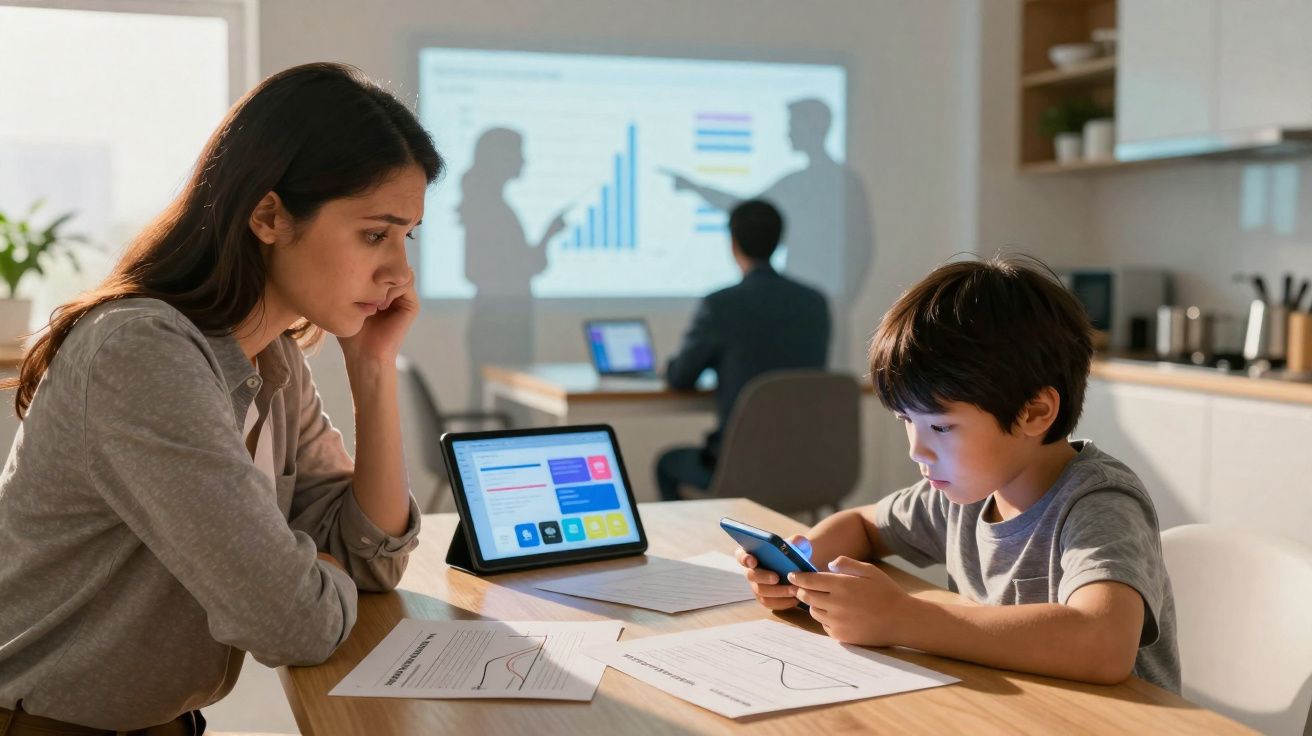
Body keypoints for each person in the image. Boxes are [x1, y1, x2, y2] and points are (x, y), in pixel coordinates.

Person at [0, 62, 442, 733]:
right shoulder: (142, 353)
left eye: (407, 237)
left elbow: (367, 559)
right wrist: (309, 575)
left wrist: (373, 368)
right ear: (269, 215)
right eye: (375, 234)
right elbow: (293, 623)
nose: (400, 272)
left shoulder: (275, 358)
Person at [735, 256, 1181, 692]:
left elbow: (1102, 644)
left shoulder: (1099, 503)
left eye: (942, 427)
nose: (917, 449)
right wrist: (800, 568)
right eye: (907, 420)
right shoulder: (965, 493)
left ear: (1034, 412)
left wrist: (903, 618)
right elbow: (863, 526)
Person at [656, 199, 829, 502]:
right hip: (806, 465)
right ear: (779, 241)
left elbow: (681, 377)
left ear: (733, 244)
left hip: (740, 466)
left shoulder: (721, 305)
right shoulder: (815, 304)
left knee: (666, 464)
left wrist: (668, 368)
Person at [458, 127, 566, 400]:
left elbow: (517, 265)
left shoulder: (491, 206)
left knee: (504, 404)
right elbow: (487, 269)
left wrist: (547, 238)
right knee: (511, 405)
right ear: (500, 159)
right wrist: (546, 238)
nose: (524, 161)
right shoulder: (490, 209)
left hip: (501, 316)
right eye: (518, 153)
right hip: (502, 321)